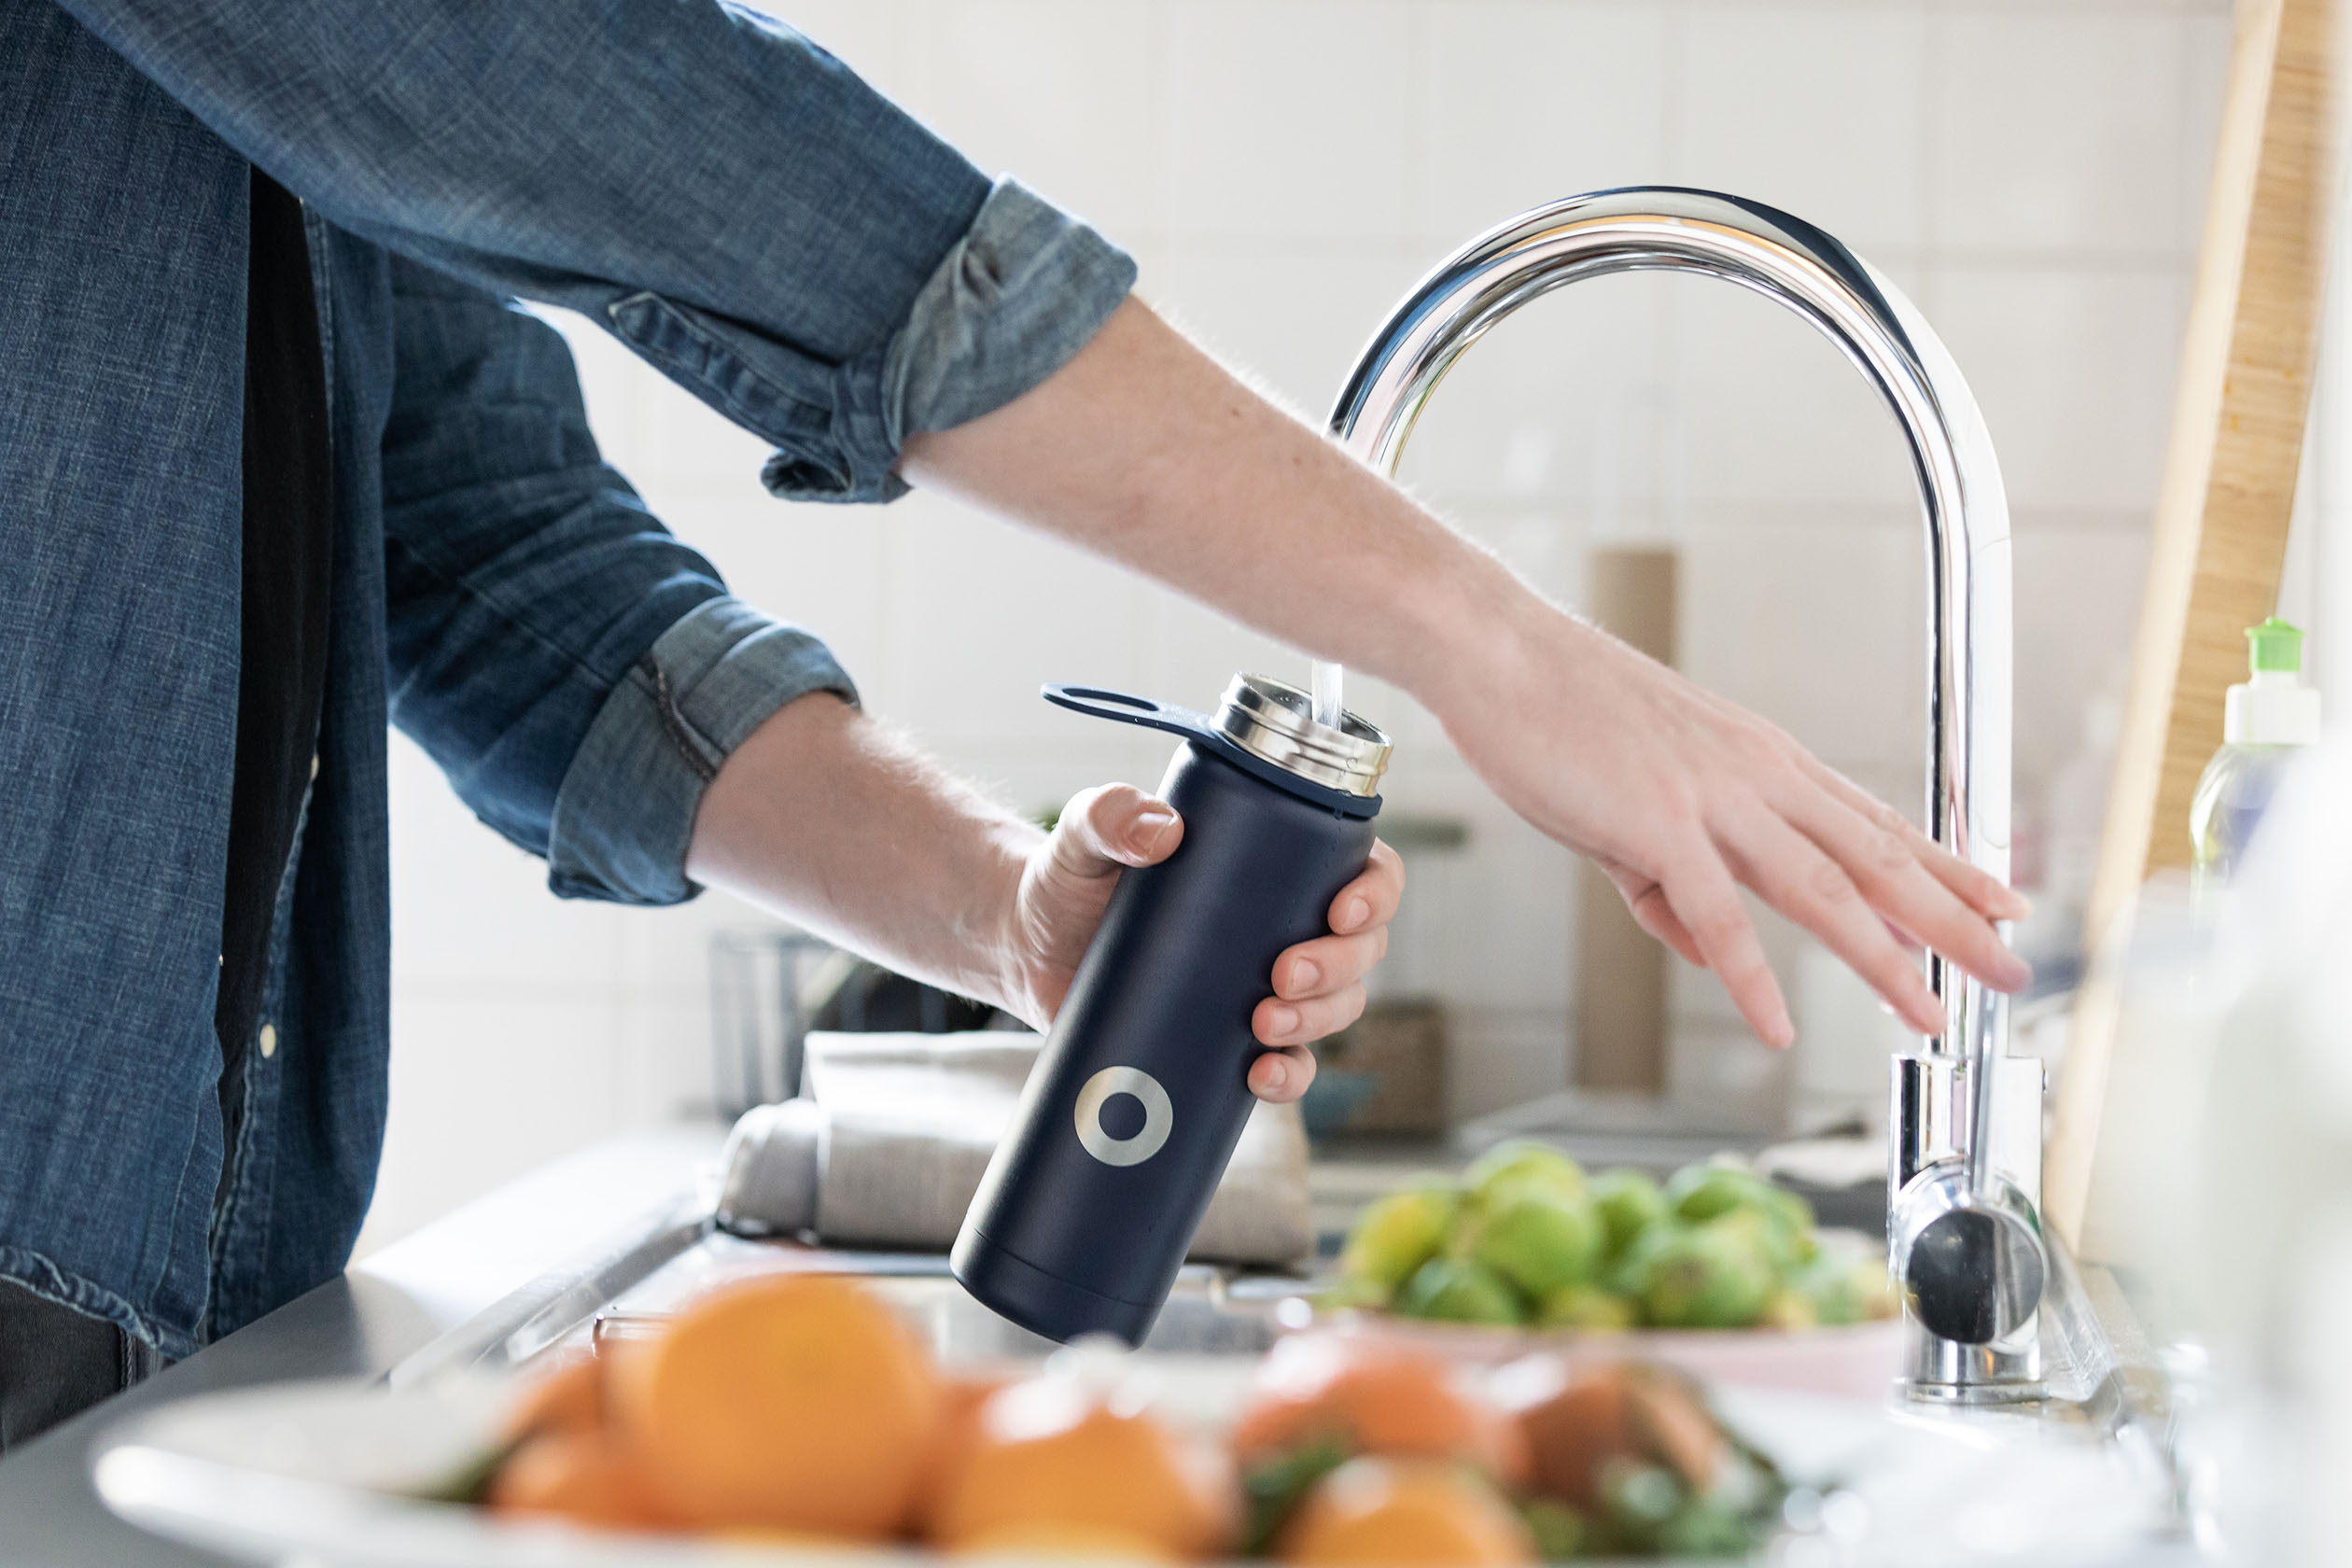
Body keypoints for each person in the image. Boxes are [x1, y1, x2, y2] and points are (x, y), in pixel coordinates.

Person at [0, 0, 2030, 1448]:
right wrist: (1495, 647)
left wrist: (1008, 922)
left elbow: (479, 550)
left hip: (143, 1292)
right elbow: (679, 155)